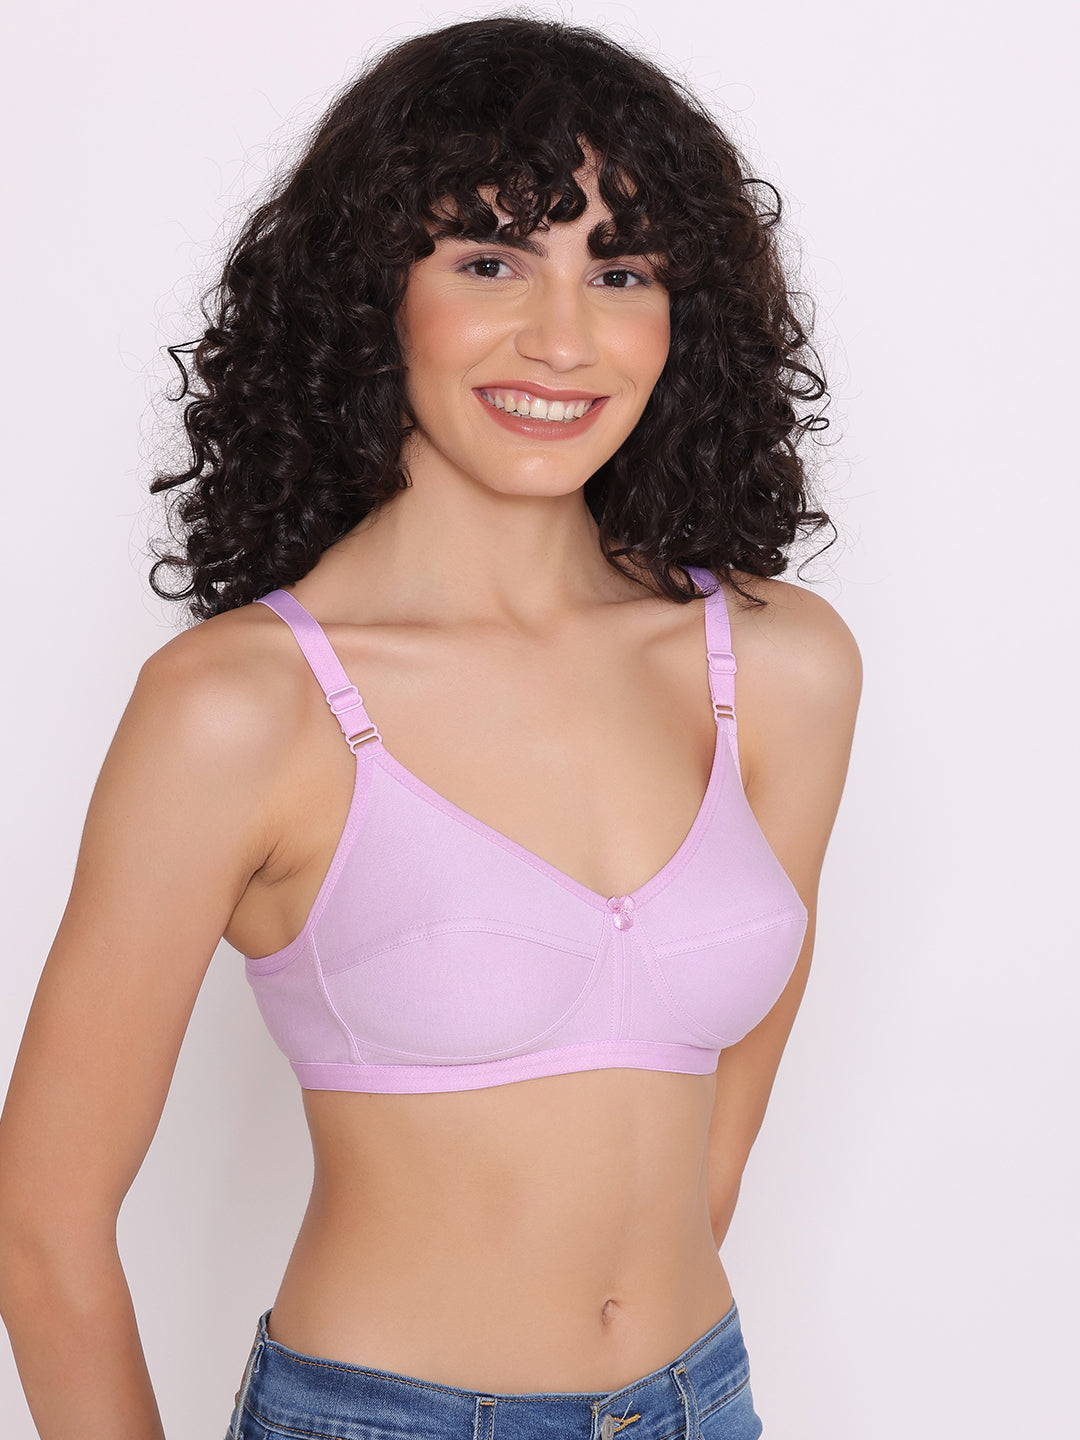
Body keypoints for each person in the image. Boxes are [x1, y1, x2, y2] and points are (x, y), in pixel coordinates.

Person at [0, 15, 861, 1439]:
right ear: (371, 293)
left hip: (701, 1400)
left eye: (622, 272)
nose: (564, 339)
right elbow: (42, 1225)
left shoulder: (778, 667)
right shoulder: (243, 708)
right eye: (490, 261)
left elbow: (716, 1143)